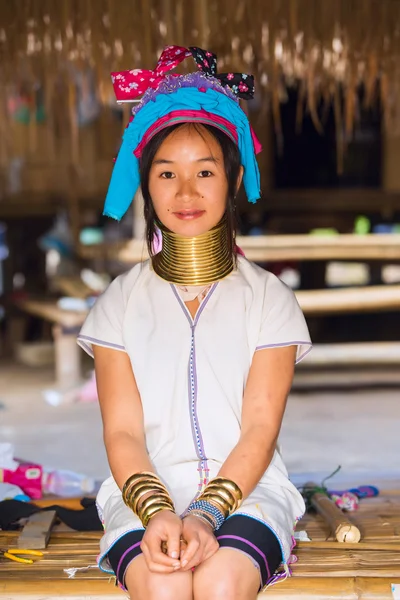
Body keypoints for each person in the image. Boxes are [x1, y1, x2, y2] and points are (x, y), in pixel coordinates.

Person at [78, 45, 312, 600]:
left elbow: (259, 429)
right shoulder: (118, 304)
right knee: (163, 584)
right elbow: (123, 433)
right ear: (147, 185)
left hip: (250, 493)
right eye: (167, 174)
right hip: (142, 497)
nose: (186, 192)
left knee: (220, 581)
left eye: (205, 171)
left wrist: (206, 516)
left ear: (233, 181)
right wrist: (160, 512)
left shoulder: (269, 300)